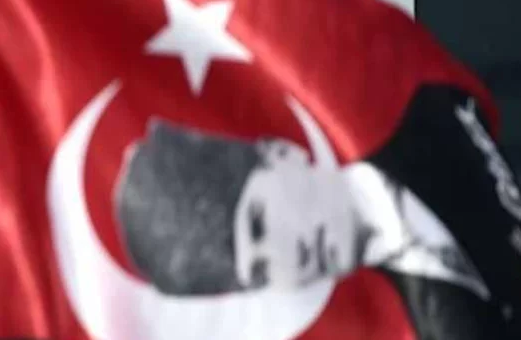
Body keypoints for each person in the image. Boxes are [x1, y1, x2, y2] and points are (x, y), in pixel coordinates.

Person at [115, 110, 511, 338]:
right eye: (261, 270)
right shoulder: (425, 321)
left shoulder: (426, 118)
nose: (287, 256)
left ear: (281, 153)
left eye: (259, 223)